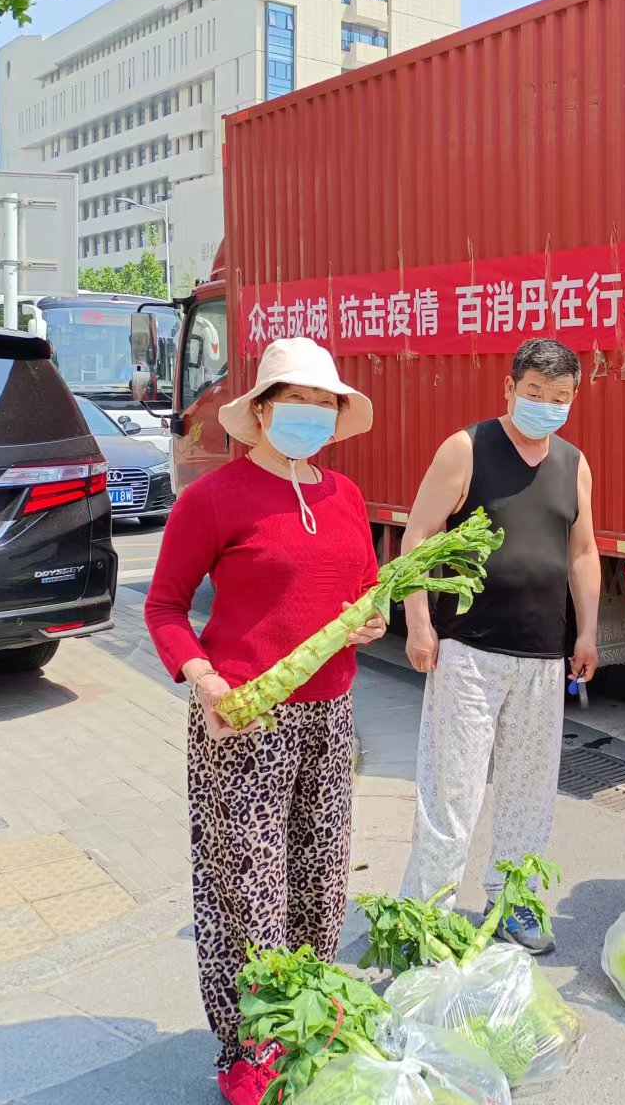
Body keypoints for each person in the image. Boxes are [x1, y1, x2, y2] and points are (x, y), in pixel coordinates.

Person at [144, 336, 386, 1105]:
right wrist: (204, 679)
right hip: (243, 720)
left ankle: (308, 1022)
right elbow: (165, 607)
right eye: (297, 402)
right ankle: (248, 1047)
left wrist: (371, 621)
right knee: (245, 892)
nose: (311, 415)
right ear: (260, 410)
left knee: (318, 883)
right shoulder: (213, 498)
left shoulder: (346, 495)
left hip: (331, 716)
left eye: (325, 404)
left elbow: (366, 589)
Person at [398, 338, 600, 954]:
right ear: (509, 389)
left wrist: (587, 629)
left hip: (542, 655)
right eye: (534, 393)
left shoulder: (573, 462)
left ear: (573, 399)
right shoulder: (468, 448)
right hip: (468, 650)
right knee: (452, 788)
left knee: (529, 790)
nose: (545, 405)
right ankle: (424, 915)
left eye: (558, 397)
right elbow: (417, 535)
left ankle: (513, 903)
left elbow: (583, 550)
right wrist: (417, 621)